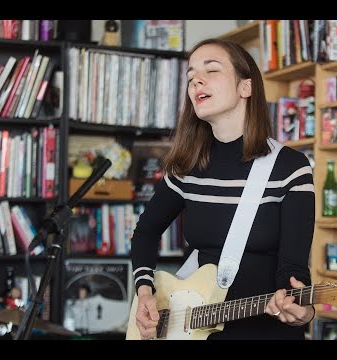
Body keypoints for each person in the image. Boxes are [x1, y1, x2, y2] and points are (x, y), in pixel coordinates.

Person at [130, 38, 315, 340]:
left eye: (211, 70)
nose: (196, 81)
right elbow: (145, 232)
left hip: (265, 333)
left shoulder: (290, 168)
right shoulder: (186, 167)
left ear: (247, 87)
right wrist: (144, 292)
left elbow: (293, 268)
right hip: (191, 330)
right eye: (190, 77)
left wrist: (300, 308)